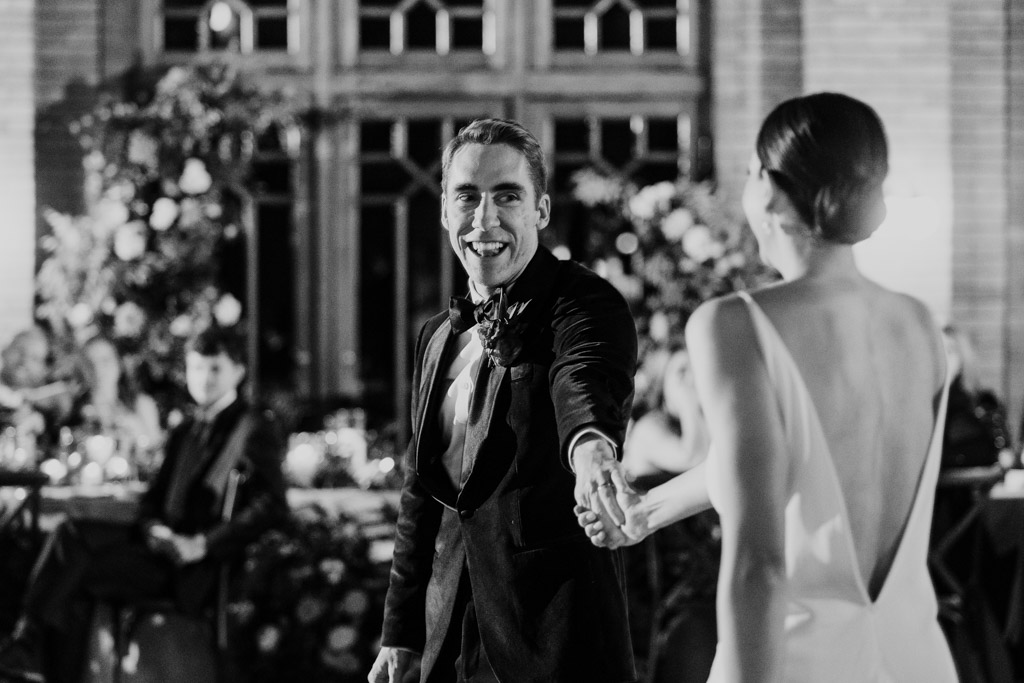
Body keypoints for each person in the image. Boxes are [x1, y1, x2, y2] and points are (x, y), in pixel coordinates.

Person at [577, 92, 958, 681]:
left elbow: (759, 564)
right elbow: (797, 462)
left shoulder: (736, 323)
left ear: (773, 192)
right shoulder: (919, 323)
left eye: (753, 169)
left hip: (797, 659)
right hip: (916, 656)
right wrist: (648, 510)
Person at [369, 118, 638, 683]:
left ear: (539, 211)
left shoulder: (584, 304)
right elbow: (422, 494)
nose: (484, 219)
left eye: (507, 196)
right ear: (444, 210)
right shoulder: (437, 334)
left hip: (552, 639)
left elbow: (582, 380)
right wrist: (401, 634)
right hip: (448, 637)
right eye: (467, 196)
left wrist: (590, 446)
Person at [0, 325, 288, 683]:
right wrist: (153, 528)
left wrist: (203, 544)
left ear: (239, 372)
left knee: (69, 575)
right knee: (70, 534)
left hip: (197, 568)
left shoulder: (252, 427)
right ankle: (25, 650)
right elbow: (154, 498)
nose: (205, 378)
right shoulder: (186, 428)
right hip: (159, 548)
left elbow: (273, 505)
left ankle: (23, 649)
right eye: (197, 368)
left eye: (216, 368)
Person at [71, 334, 163, 456]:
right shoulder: (77, 412)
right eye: (91, 363)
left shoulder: (141, 404)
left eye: (105, 360)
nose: (98, 368)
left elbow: (155, 452)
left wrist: (135, 429)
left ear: (119, 363)